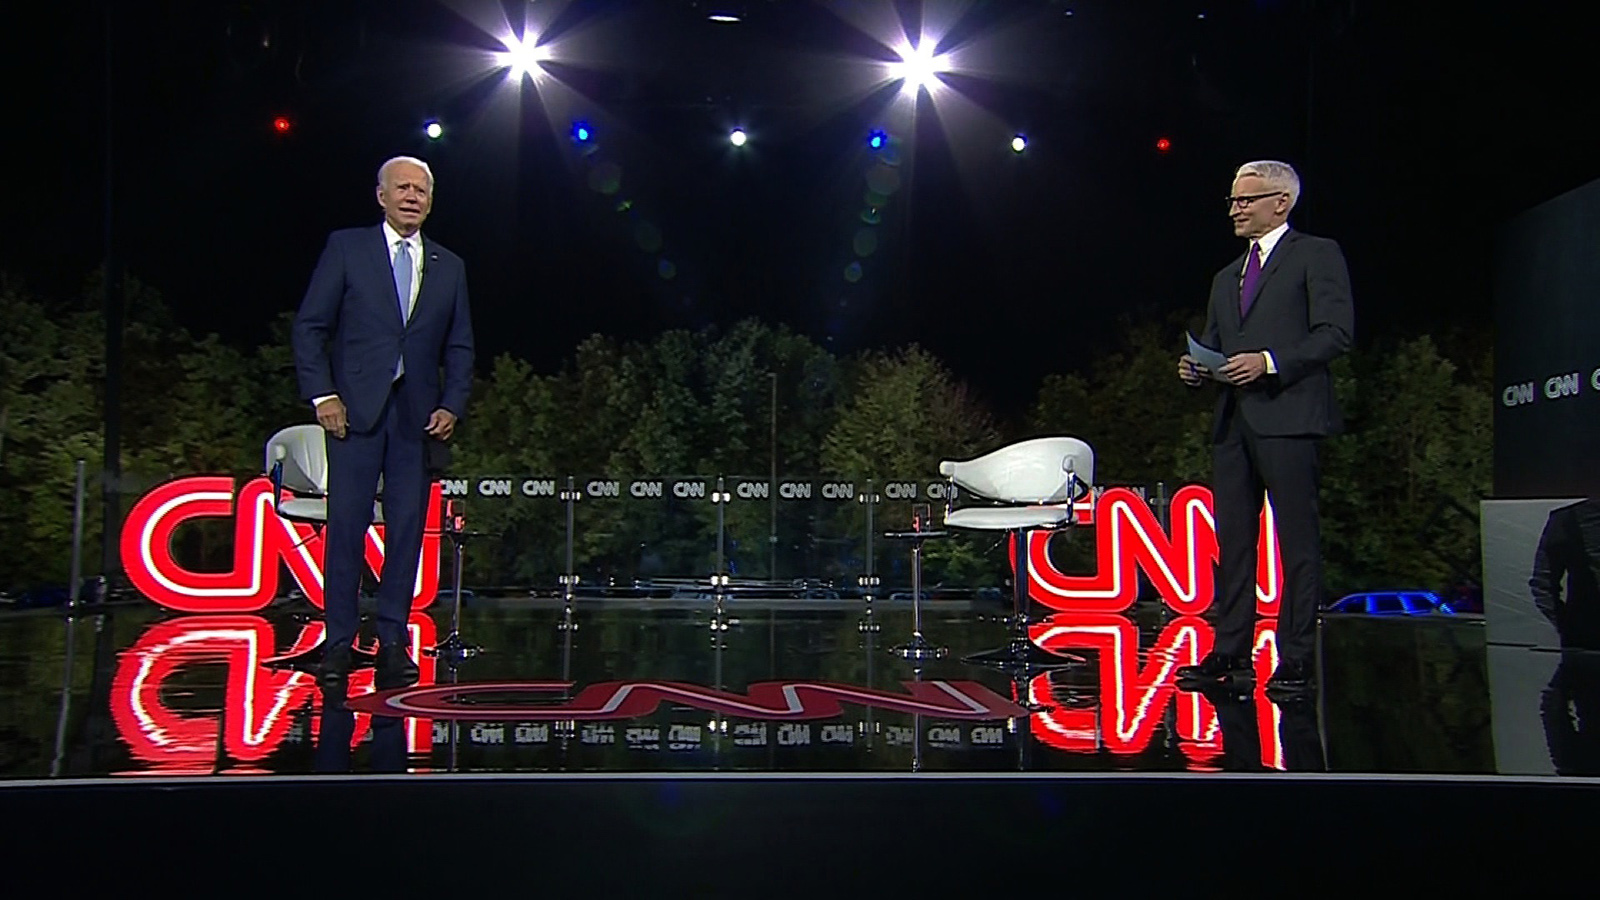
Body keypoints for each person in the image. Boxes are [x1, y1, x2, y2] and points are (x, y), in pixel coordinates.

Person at [292, 156, 475, 690]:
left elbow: (460, 346)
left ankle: (393, 641)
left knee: (406, 532)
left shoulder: (450, 265)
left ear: (431, 200)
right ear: (381, 195)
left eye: (422, 190)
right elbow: (311, 327)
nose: (412, 196)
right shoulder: (347, 248)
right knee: (346, 529)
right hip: (353, 413)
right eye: (403, 188)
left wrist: (453, 404)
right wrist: (323, 394)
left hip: (417, 419)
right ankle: (339, 641)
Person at [1175, 160, 1353, 699]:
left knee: (1297, 544)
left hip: (1290, 416)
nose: (1235, 209)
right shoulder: (1225, 277)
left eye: (1245, 200)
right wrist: (1196, 369)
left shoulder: (1316, 255)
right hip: (1234, 423)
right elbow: (1214, 341)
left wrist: (1270, 361)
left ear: (1282, 201)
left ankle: (1296, 656)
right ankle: (1230, 648)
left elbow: (1335, 333)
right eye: (1232, 201)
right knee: (1234, 543)